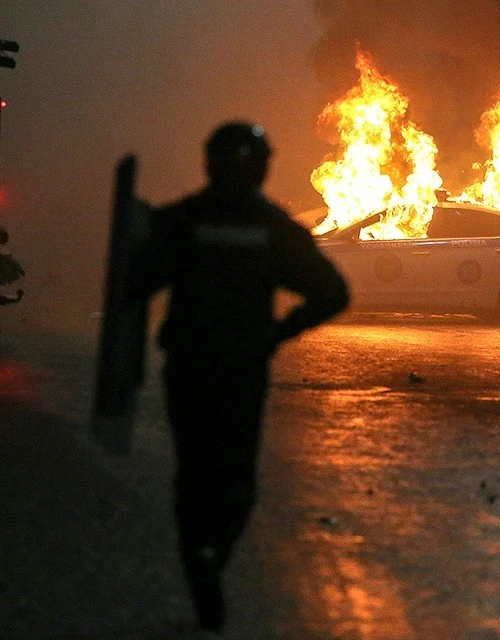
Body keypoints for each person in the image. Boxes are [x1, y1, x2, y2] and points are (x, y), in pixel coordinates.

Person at [129, 122, 350, 633]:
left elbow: (137, 279)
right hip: (240, 372)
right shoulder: (273, 228)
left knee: (192, 472)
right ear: (261, 167)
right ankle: (213, 552)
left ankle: (197, 559)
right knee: (236, 482)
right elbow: (333, 292)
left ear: (209, 162)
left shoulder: (184, 220)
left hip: (187, 367)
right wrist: (276, 333)